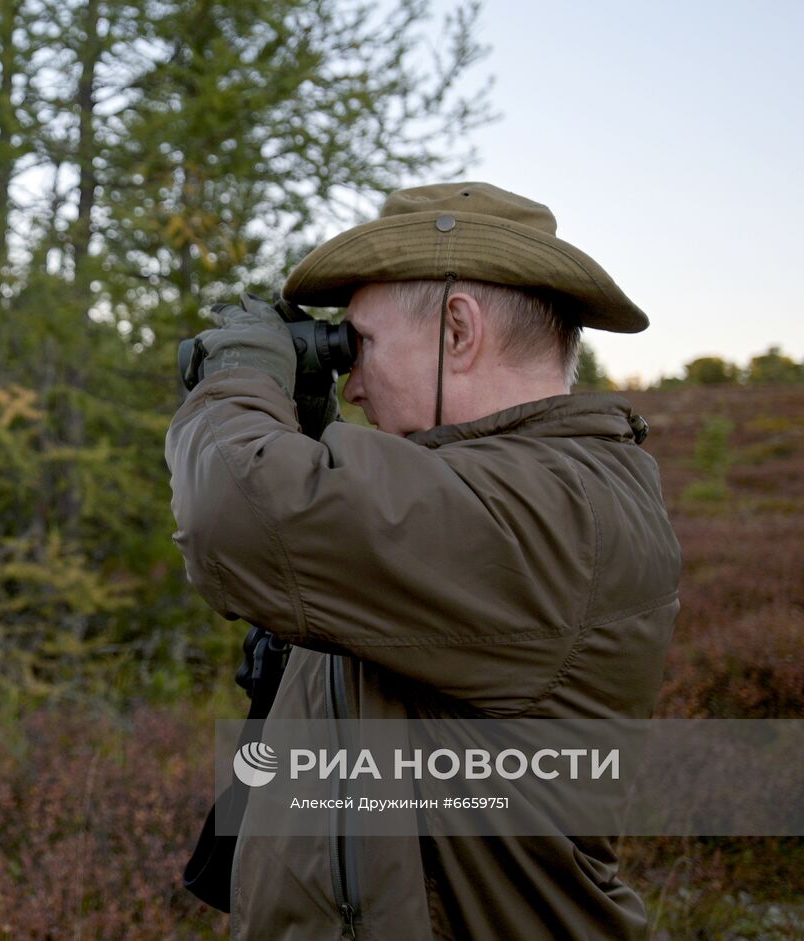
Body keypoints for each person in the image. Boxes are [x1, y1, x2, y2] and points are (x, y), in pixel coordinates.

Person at [165, 183, 682, 940]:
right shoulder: (489, 492)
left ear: (458, 330)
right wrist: (308, 423)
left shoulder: (560, 512)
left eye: (360, 345)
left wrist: (240, 377)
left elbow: (235, 516)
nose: (356, 381)